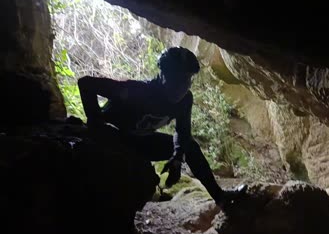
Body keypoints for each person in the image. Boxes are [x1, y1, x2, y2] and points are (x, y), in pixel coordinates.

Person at [77, 46, 247, 208]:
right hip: (114, 139)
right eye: (177, 79)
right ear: (163, 75)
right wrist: (96, 124)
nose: (182, 86)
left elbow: (182, 131)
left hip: (140, 143)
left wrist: (177, 158)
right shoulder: (138, 91)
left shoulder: (184, 100)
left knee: (191, 147)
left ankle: (220, 198)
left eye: (187, 79)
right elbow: (86, 83)